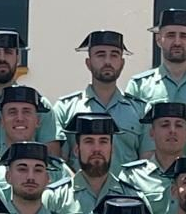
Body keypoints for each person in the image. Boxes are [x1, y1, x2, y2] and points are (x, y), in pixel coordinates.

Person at [46, 113, 144, 214]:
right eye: (89, 141)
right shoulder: (54, 198)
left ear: (112, 149)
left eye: (103, 141)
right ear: (77, 149)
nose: (97, 149)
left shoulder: (133, 198)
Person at [53, 31, 146, 167]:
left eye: (114, 55)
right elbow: (58, 163)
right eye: (100, 55)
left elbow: (146, 163)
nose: (107, 62)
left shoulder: (140, 110)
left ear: (122, 63)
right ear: (88, 63)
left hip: (127, 188)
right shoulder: (65, 108)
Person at [124, 8, 186, 125]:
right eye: (170, 35)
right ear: (158, 40)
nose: (177, 42)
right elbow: (130, 133)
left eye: (184, 36)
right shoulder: (139, 86)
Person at [0, 32, 60, 156]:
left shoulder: (40, 106)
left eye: (8, 52)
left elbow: (51, 158)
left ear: (18, 57)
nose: (2, 58)